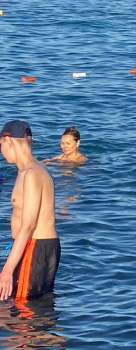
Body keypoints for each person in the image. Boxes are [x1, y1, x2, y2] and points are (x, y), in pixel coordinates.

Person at [0, 121, 59, 300]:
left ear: (9, 142)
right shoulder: (31, 170)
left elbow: (28, 225)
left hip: (35, 247)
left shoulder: (32, 174)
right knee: (21, 308)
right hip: (33, 247)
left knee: (23, 313)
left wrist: (7, 270)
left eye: (0, 145)